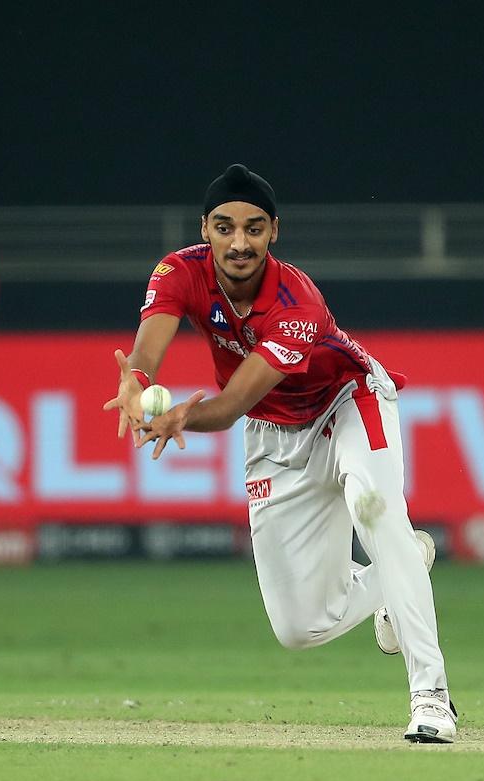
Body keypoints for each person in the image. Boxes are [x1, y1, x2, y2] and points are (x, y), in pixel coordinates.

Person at [105, 164, 457, 743]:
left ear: (274, 233)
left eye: (253, 228)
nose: (238, 242)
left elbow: (233, 401)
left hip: (345, 401)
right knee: (301, 628)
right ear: (205, 230)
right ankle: (404, 570)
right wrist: (135, 381)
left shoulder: (297, 301)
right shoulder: (177, 270)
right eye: (224, 227)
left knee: (375, 507)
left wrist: (182, 416)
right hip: (274, 436)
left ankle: (432, 698)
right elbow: (149, 345)